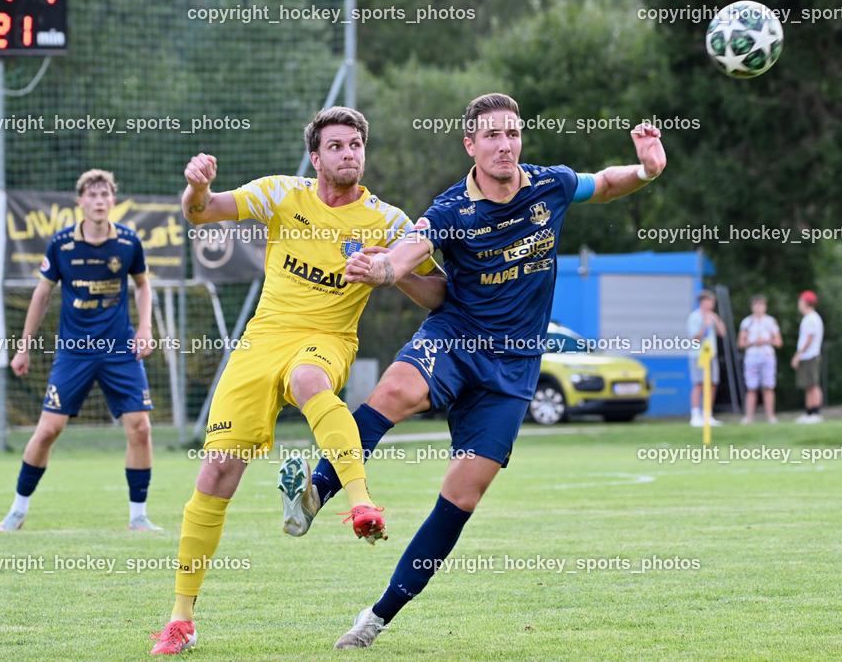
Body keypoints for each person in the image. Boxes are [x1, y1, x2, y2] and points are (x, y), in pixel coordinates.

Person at [275, 92, 666, 649]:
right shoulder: (452, 208)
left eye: (512, 134)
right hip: (455, 338)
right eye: (491, 136)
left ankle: (377, 617)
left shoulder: (549, 185)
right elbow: (412, 248)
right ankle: (312, 495)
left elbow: (605, 182)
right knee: (394, 391)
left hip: (513, 367)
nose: (504, 145)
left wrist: (647, 170)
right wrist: (385, 267)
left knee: (463, 498)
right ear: (471, 144)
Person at [148, 106, 447, 655]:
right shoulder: (281, 194)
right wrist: (196, 188)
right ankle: (181, 618)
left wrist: (390, 271)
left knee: (311, 380)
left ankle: (360, 502)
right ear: (316, 157)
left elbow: (437, 293)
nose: (348, 154)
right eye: (336, 146)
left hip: (328, 339)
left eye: (356, 144)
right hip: (261, 342)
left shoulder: (389, 221)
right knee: (216, 471)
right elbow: (202, 213)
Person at [0, 169, 159, 532]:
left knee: (140, 428)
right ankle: (18, 510)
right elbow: (41, 295)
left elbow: (143, 286)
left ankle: (138, 517)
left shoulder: (129, 242)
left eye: (105, 195)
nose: (99, 201)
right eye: (93, 195)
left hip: (119, 349)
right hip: (74, 351)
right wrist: (23, 348)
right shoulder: (61, 244)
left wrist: (146, 328)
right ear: (80, 202)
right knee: (48, 430)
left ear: (113, 202)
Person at [737, 294, 783, 424]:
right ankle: (749, 417)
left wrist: (766, 341)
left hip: (767, 356)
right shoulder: (747, 322)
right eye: (756, 305)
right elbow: (741, 343)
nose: (758, 308)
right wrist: (753, 343)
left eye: (761, 305)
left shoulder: (771, 321)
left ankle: (770, 416)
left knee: (768, 386)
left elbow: (778, 342)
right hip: (752, 357)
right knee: (751, 388)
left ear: (765, 307)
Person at [686, 289, 726, 427]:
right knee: (699, 383)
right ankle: (695, 416)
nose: (711, 304)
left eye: (713, 302)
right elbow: (695, 339)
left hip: (711, 354)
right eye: (709, 301)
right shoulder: (694, 317)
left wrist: (716, 320)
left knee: (712, 384)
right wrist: (705, 325)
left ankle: (707, 414)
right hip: (698, 355)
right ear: (702, 302)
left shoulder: (713, 316)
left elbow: (722, 333)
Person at [791, 290, 824, 423]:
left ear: (805, 302)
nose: (799, 304)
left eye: (800, 301)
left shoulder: (812, 318)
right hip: (807, 356)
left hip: (810, 355)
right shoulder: (808, 318)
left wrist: (798, 355)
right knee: (808, 385)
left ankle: (816, 413)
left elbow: (809, 339)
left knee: (813, 384)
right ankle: (809, 412)